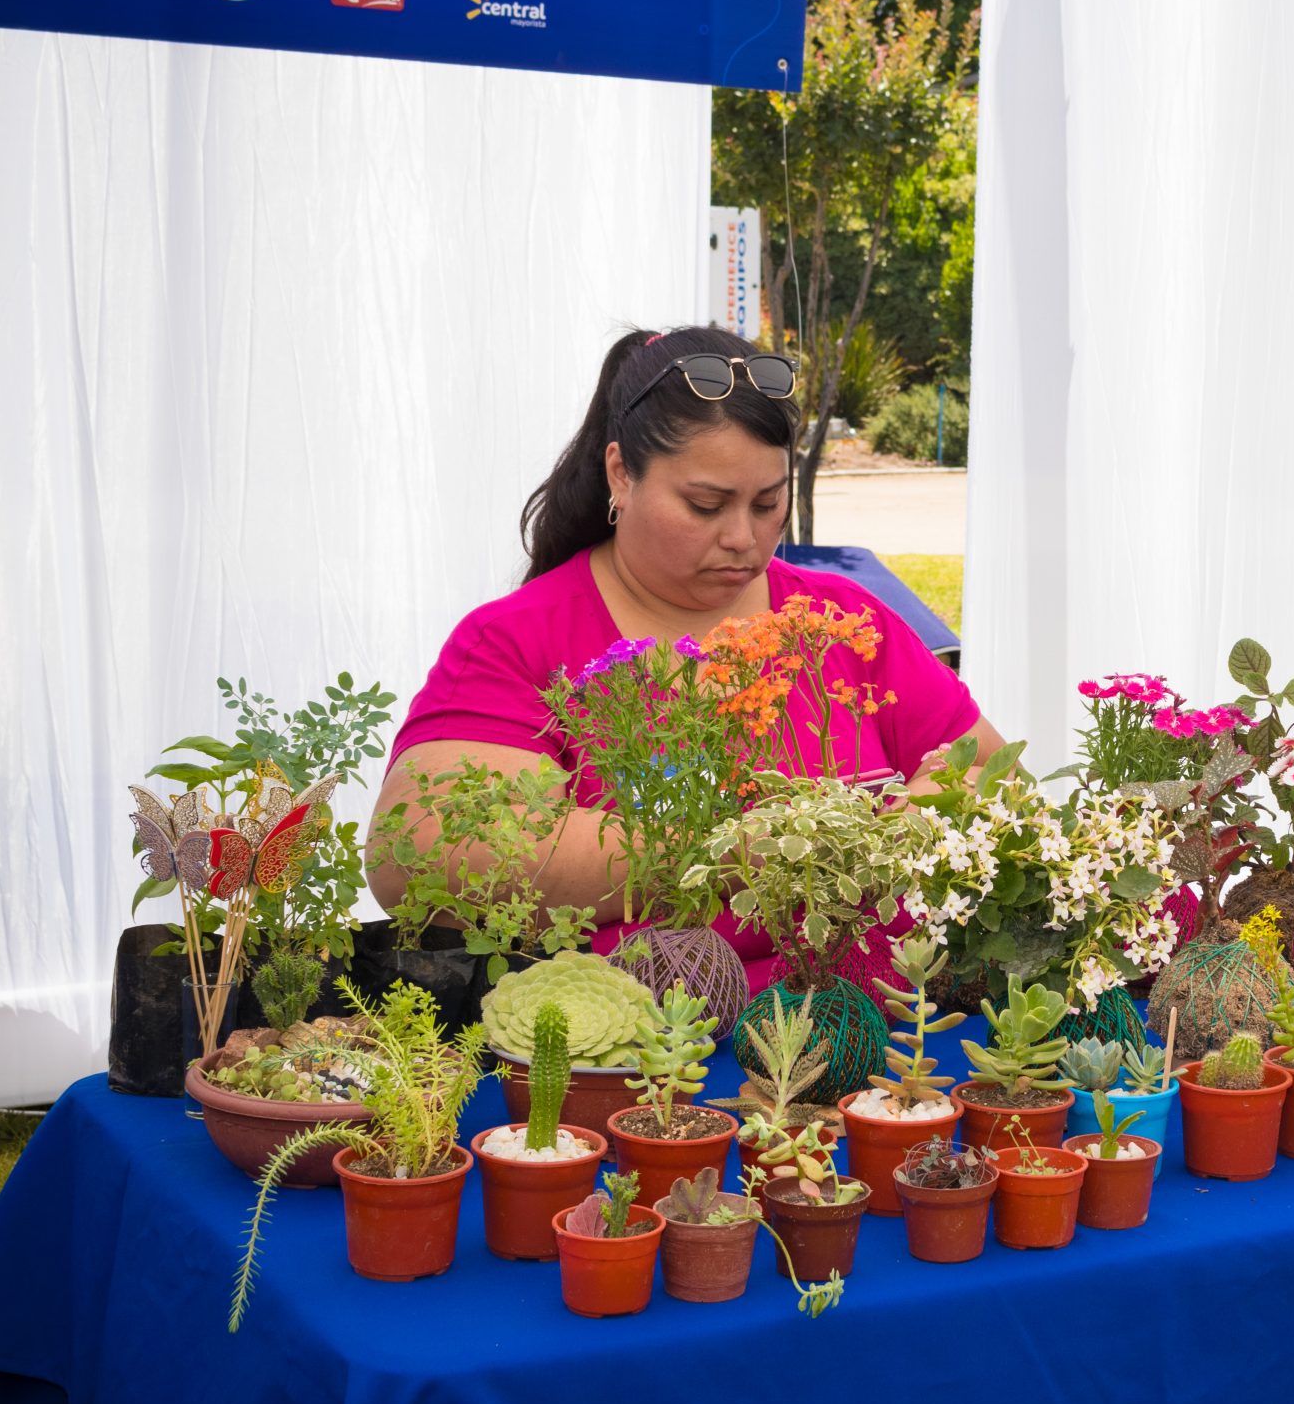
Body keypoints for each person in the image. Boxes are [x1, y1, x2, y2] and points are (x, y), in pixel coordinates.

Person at [368, 323, 1004, 982]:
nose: (743, 538)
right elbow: (419, 856)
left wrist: (905, 822)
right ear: (621, 473)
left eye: (768, 502)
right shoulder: (518, 642)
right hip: (653, 1038)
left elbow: (990, 769)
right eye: (706, 505)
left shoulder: (837, 620)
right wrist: (744, 848)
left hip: (896, 1028)